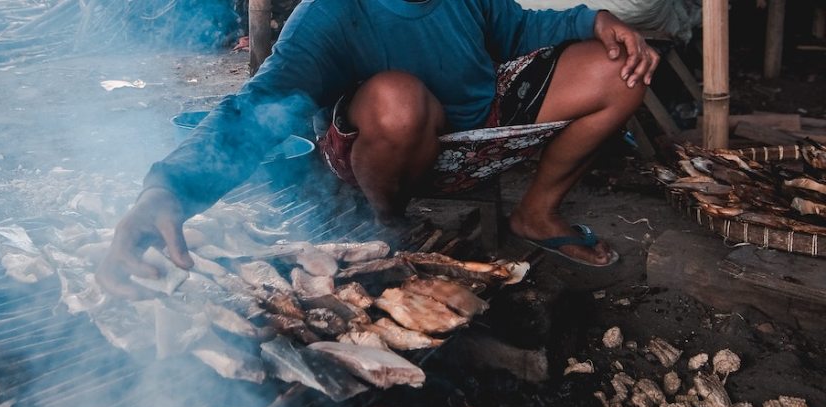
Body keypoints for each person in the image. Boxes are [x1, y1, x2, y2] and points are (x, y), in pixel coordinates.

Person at [99, 0, 660, 299]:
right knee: (398, 99)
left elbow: (517, 27)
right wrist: (169, 188)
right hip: (381, 155)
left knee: (623, 72)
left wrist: (595, 19)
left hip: (480, 137)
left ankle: (536, 213)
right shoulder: (331, 13)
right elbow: (259, 106)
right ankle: (389, 220)